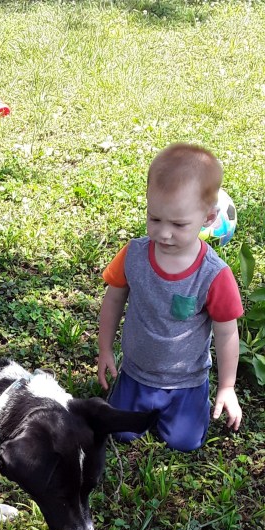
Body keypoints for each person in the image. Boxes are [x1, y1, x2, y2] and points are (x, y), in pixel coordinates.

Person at [97, 143, 243, 452]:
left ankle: (188, 407)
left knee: (185, 442)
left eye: (178, 224)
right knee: (120, 432)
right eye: (155, 219)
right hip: (136, 371)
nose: (163, 233)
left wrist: (227, 386)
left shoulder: (213, 275)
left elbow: (227, 331)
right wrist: (105, 349)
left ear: (208, 217)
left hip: (187, 381)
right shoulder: (133, 255)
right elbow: (113, 300)